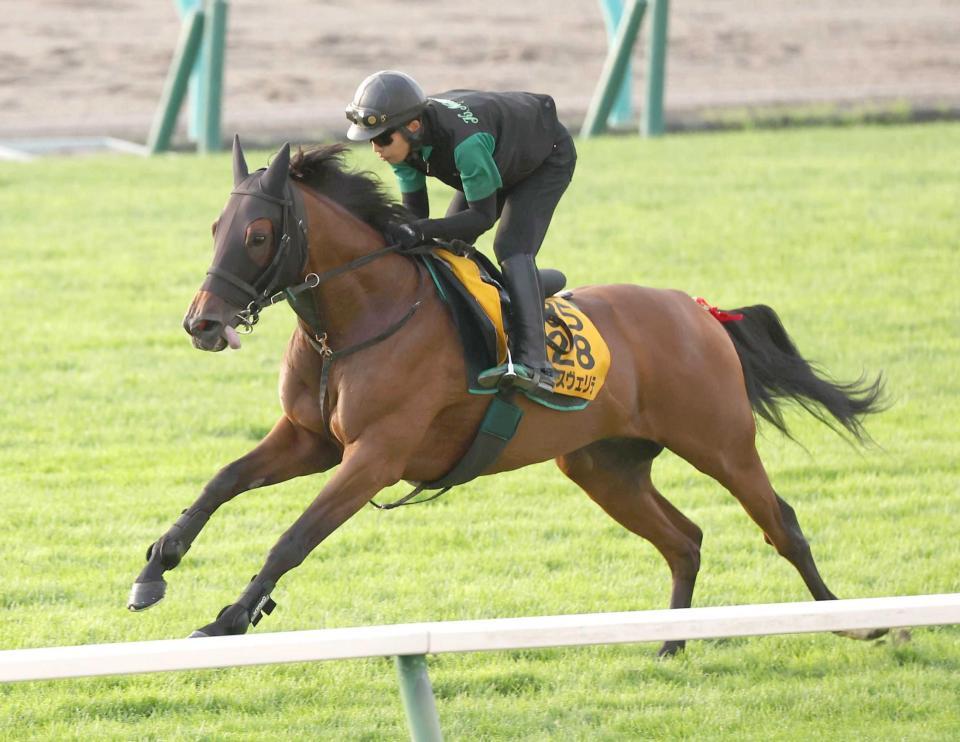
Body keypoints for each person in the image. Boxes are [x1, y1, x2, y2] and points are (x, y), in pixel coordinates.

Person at [345, 70, 577, 394]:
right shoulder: (404, 143)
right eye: (372, 139)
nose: (376, 149)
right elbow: (416, 215)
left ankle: (536, 364)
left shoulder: (464, 145)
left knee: (512, 246)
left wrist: (420, 230)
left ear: (413, 127)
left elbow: (481, 217)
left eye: (383, 139)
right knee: (447, 249)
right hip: (497, 153)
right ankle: (525, 291)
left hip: (544, 157)